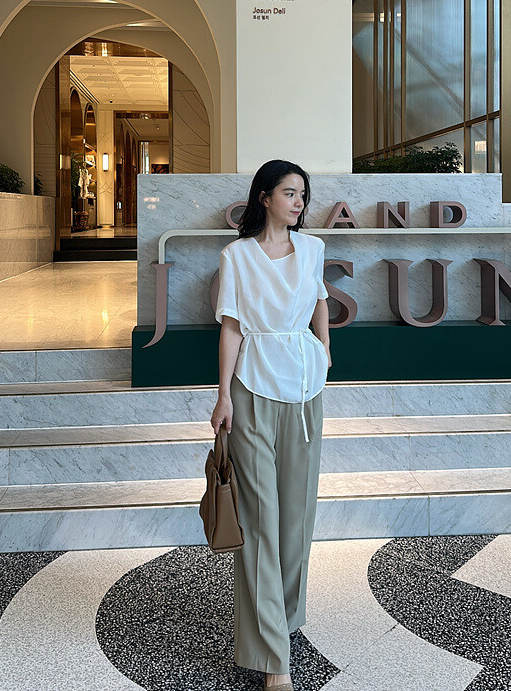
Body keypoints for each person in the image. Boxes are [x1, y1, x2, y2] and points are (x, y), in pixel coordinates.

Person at [210, 159, 331, 691]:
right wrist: (223, 396)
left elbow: (320, 301)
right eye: (289, 193)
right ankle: (271, 657)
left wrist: (324, 349)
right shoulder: (237, 255)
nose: (299, 202)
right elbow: (232, 328)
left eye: (303, 194)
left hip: (304, 390)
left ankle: (283, 619)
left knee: (297, 517)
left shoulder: (313, 249)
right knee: (260, 519)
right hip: (252, 389)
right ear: (264, 197)